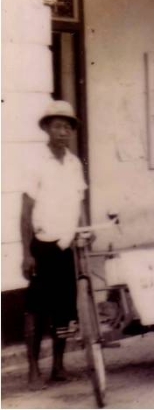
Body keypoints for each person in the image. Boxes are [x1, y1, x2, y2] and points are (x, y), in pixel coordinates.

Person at [21, 101, 88, 389]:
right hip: (42, 246)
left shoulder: (74, 164)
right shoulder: (36, 162)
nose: (63, 132)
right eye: (57, 126)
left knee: (65, 309)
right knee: (37, 309)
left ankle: (58, 367)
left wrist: (84, 231)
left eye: (67, 127)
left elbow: (79, 203)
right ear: (47, 129)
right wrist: (26, 253)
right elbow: (25, 212)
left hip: (67, 246)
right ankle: (33, 370)